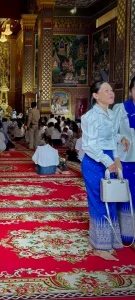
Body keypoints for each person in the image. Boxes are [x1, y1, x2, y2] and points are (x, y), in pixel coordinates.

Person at [81, 81, 129, 261]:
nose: (111, 93)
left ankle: (107, 240)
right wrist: (108, 161)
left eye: (111, 90)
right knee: (98, 201)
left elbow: (109, 138)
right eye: (106, 90)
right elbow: (89, 145)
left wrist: (119, 144)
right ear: (95, 95)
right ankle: (99, 246)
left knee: (111, 199)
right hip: (95, 162)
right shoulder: (90, 117)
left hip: (109, 160)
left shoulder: (111, 114)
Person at [113, 76, 135, 248]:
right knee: (127, 197)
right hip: (126, 160)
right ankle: (128, 235)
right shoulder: (121, 109)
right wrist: (116, 158)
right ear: (130, 91)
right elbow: (111, 133)